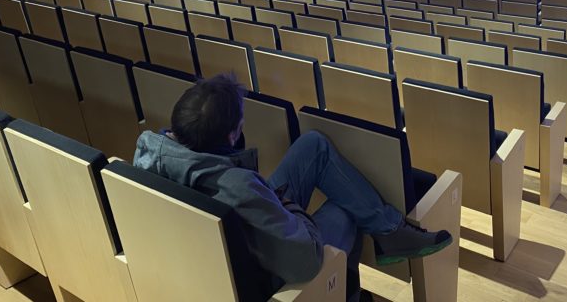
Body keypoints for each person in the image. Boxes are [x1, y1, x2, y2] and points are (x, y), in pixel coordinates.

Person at [133, 74, 452, 302]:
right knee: (343, 212)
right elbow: (306, 260)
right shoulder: (238, 185)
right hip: (268, 270)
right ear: (232, 137)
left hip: (222, 244)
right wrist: (287, 205)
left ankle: (389, 230)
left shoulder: (151, 155)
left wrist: (269, 198)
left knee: (313, 146)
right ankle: (346, 289)